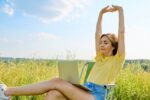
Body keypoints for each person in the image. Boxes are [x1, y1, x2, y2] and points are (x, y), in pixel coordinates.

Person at [0, 5, 125, 100]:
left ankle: (7, 92)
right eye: (101, 42)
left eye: (105, 43)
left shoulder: (118, 59)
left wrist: (120, 11)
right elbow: (96, 34)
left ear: (113, 47)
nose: (101, 45)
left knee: (56, 81)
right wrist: (100, 13)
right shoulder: (100, 58)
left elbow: (121, 33)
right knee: (53, 93)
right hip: (86, 89)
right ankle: (7, 93)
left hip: (96, 96)